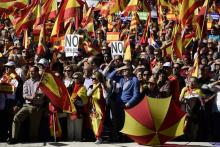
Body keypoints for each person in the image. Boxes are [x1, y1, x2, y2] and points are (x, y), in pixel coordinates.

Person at [8, 66, 47, 144]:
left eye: (33, 71)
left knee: (34, 128)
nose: (31, 73)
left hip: (37, 107)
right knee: (16, 118)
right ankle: (14, 138)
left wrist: (36, 97)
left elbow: (42, 94)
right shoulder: (26, 82)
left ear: (37, 72)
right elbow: (24, 95)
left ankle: (33, 142)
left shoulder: (41, 82)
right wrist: (30, 97)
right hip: (27, 105)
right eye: (30, 71)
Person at [87, 71, 108, 144]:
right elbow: (88, 94)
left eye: (94, 79)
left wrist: (102, 86)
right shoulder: (91, 87)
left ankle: (99, 137)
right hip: (93, 108)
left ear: (98, 79)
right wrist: (96, 86)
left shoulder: (102, 87)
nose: (92, 80)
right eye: (92, 79)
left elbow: (105, 96)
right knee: (94, 122)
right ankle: (97, 137)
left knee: (99, 122)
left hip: (100, 108)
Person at [67, 72, 88, 141]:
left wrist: (76, 102)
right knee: (70, 128)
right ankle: (70, 141)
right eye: (74, 78)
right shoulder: (70, 87)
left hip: (79, 110)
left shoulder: (83, 87)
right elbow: (66, 97)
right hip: (71, 110)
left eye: (77, 78)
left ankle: (78, 141)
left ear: (80, 79)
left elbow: (84, 101)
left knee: (78, 128)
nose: (75, 79)